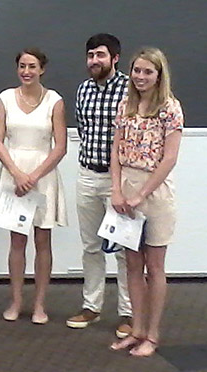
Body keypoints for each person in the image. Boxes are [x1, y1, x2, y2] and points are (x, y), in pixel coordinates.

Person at [109, 48, 182, 357]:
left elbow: (169, 158)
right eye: (136, 71)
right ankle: (136, 330)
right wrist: (116, 190)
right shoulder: (126, 104)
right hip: (126, 186)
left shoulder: (170, 108)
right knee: (132, 265)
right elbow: (115, 151)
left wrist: (141, 195)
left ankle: (152, 335)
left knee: (154, 266)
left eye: (147, 72)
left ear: (159, 75)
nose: (140, 77)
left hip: (156, 192)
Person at [0, 48, 67, 324]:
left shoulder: (55, 101)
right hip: (14, 174)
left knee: (43, 240)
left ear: (42, 69)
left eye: (32, 66)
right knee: (16, 241)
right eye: (22, 66)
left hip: (43, 175)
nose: (26, 71)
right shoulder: (4, 98)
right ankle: (16, 302)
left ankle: (39, 305)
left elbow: (60, 147)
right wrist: (16, 173)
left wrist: (34, 176)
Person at [66, 34, 133, 338]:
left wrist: (121, 183)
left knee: (124, 250)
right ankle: (91, 306)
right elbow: (83, 129)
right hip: (87, 176)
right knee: (91, 246)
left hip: (118, 181)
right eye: (91, 55)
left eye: (101, 55)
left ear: (115, 58)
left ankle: (129, 313)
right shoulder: (83, 90)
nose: (95, 60)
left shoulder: (131, 88)